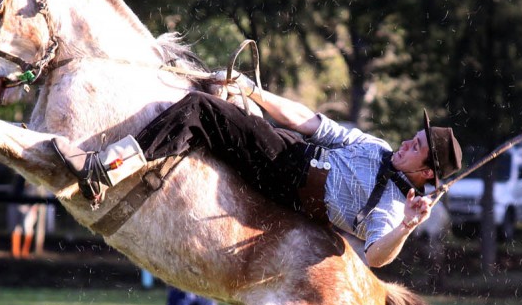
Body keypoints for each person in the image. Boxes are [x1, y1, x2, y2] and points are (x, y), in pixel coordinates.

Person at [52, 83, 463, 268]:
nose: (407, 142)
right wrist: (253, 93)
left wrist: (407, 226)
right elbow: (311, 123)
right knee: (217, 98)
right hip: (288, 149)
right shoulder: (376, 146)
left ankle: (105, 168)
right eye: (414, 136)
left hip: (290, 176)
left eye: (417, 147)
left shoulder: (392, 206)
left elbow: (376, 257)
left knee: (200, 107)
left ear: (426, 172)